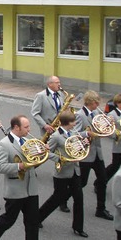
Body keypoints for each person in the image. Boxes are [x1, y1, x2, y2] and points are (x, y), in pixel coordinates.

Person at [0, 115, 41, 240]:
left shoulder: (26, 141)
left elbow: (32, 164)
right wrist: (19, 166)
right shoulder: (4, 144)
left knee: (32, 221)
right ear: (16, 127)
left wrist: (41, 155)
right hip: (16, 189)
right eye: (26, 127)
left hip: (31, 188)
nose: (29, 130)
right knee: (8, 220)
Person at [38, 111, 88, 238]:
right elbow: (47, 152)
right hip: (62, 172)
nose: (75, 123)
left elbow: (77, 146)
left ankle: (78, 227)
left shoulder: (74, 132)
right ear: (68, 123)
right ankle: (38, 217)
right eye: (73, 122)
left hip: (75, 171)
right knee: (57, 198)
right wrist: (60, 159)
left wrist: (84, 144)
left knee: (79, 199)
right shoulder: (56, 136)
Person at [31, 75, 69, 212]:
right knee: (43, 153)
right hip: (49, 129)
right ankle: (30, 166)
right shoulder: (41, 96)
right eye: (57, 82)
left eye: (59, 82)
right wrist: (45, 126)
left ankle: (62, 199)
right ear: (50, 84)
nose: (60, 84)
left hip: (60, 129)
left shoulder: (61, 95)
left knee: (58, 155)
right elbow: (35, 113)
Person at [75, 90, 113, 220]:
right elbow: (75, 134)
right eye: (96, 102)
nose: (98, 105)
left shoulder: (97, 113)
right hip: (86, 154)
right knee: (82, 182)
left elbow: (102, 129)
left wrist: (108, 123)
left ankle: (101, 209)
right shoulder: (80, 115)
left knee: (103, 180)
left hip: (97, 153)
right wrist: (87, 134)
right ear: (90, 102)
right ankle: (63, 199)